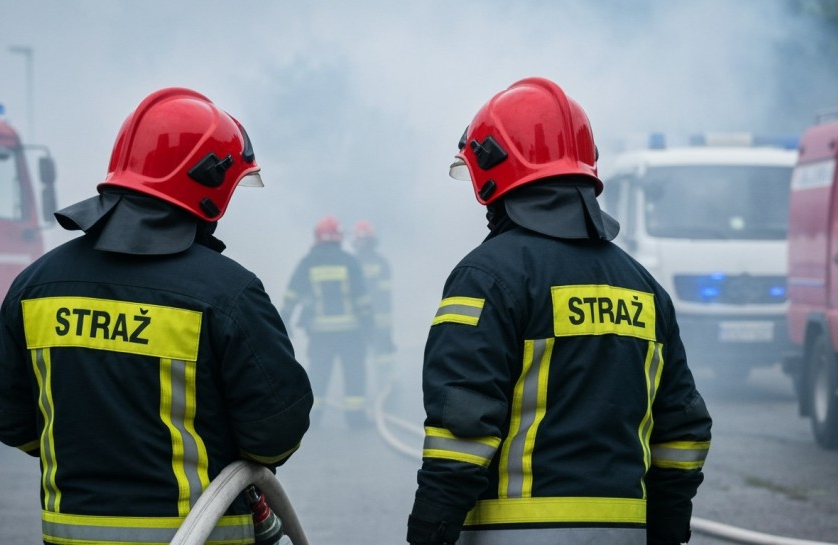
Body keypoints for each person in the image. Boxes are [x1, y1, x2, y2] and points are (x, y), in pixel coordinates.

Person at [0, 88, 313, 545]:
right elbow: (276, 433)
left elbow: (6, 417)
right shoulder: (227, 295)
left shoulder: (35, 286)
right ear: (209, 185)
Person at [406, 77, 712, 545]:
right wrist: (666, 532)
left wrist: (428, 534)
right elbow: (684, 433)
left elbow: (462, 430)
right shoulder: (644, 287)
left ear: (491, 169)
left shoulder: (486, 277)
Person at [281, 215, 373, 428]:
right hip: (351, 333)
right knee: (354, 374)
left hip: (320, 334)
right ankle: (356, 419)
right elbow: (363, 299)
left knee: (318, 375)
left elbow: (291, 296)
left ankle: (312, 420)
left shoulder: (307, 263)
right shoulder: (350, 262)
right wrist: (370, 327)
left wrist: (284, 320)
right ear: (339, 237)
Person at [351, 220, 397, 390]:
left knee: (382, 355)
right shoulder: (378, 262)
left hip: (373, 317)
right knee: (373, 354)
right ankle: (384, 386)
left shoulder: (354, 262)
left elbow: (384, 296)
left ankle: (388, 385)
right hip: (371, 317)